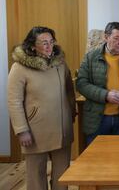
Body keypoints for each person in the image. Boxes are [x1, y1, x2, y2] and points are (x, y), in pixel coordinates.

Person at [8, 26, 76, 190]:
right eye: (44, 43)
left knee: (62, 176)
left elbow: (69, 90)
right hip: (34, 130)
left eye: (51, 42)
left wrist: (71, 111)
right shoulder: (19, 67)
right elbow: (14, 101)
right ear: (32, 46)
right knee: (36, 177)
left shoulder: (60, 63)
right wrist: (21, 130)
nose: (49, 46)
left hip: (62, 128)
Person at [76, 22, 119, 145]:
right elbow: (81, 83)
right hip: (97, 118)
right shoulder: (90, 58)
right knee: (96, 159)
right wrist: (105, 95)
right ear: (106, 37)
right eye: (117, 38)